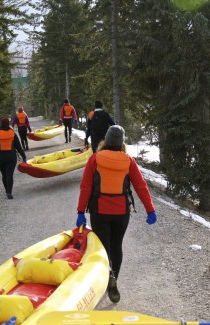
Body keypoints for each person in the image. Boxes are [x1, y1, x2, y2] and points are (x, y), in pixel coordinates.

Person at [74, 125, 157, 304]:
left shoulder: (95, 159)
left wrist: (81, 211)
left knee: (103, 249)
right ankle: (114, 279)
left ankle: (106, 277)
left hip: (99, 210)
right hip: (121, 212)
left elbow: (86, 187)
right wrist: (150, 209)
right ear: (121, 143)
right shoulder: (128, 161)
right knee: (116, 245)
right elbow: (141, 186)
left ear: (106, 140)